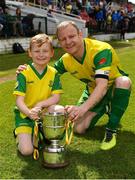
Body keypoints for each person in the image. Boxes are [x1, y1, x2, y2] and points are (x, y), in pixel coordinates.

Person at [17, 21, 132, 151]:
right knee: (78, 129)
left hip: (111, 88)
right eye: (63, 39)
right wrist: (28, 69)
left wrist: (82, 108)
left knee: (124, 81)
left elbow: (103, 85)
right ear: (59, 42)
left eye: (71, 36)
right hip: (92, 91)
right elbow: (46, 73)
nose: (68, 42)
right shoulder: (66, 60)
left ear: (80, 34)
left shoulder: (100, 50)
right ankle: (105, 106)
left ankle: (111, 130)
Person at [13, 33, 63, 156]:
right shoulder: (24, 73)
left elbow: (56, 97)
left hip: (43, 113)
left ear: (52, 53)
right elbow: (19, 101)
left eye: (45, 51)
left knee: (60, 109)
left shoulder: (54, 73)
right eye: (37, 51)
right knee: (27, 151)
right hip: (25, 115)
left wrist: (40, 105)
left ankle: (44, 131)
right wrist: (30, 113)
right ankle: (19, 133)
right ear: (30, 52)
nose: (41, 54)